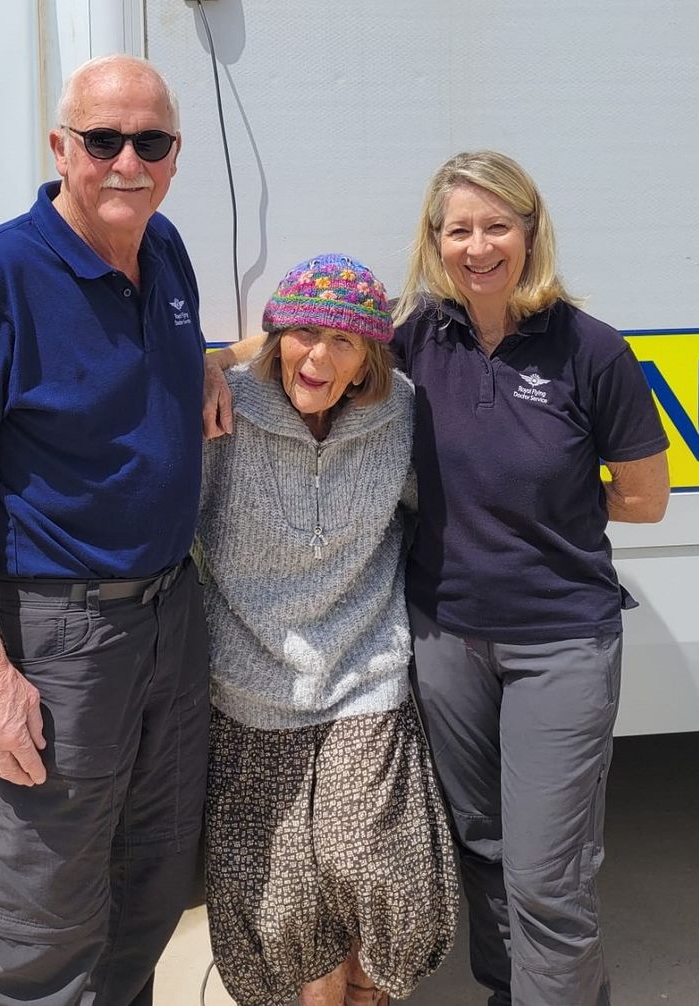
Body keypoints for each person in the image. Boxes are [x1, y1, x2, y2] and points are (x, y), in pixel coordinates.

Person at [0, 55, 209, 1006]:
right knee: (44, 923)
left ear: (173, 155)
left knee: (151, 886)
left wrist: (205, 367)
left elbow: (155, 354)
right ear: (59, 147)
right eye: (103, 140)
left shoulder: (165, 252)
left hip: (170, 619)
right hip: (60, 637)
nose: (126, 162)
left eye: (148, 143)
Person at [389, 150, 670, 1005]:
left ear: (530, 232)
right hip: (444, 637)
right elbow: (303, 340)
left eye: (496, 226)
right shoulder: (412, 340)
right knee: (481, 842)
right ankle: (515, 991)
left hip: (559, 642)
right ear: (436, 241)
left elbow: (646, 499)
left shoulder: (591, 349)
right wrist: (213, 367)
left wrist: (546, 520)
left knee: (548, 870)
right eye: (459, 229)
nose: (478, 246)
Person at [198, 254, 458, 1006]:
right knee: (281, 895)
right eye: (303, 332)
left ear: (370, 356)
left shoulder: (401, 414)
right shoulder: (227, 410)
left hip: (362, 671)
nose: (318, 356)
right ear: (274, 335)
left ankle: (368, 992)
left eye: (342, 341)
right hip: (250, 680)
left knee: (376, 866)